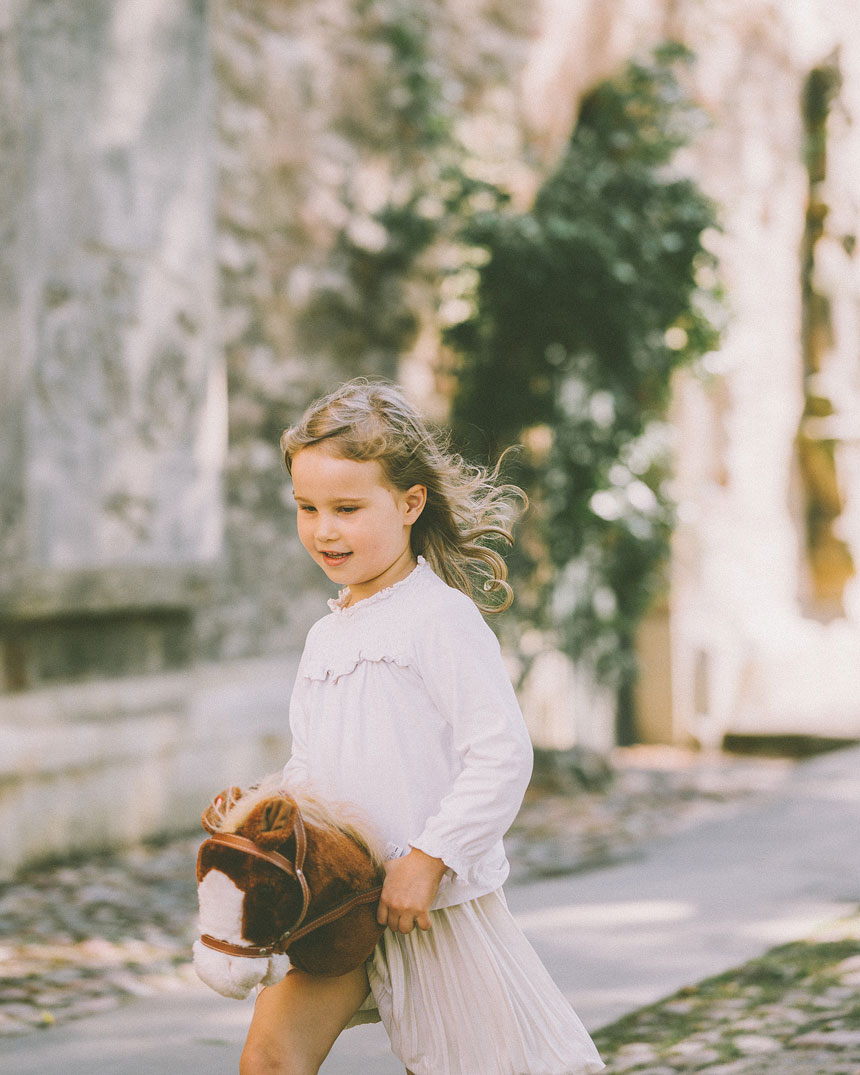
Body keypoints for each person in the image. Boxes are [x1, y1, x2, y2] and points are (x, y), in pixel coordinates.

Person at [240, 379, 604, 1075]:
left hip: (431, 907)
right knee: (270, 1057)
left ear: (410, 503)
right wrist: (266, 812)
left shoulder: (439, 620)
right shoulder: (325, 635)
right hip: (344, 905)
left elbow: (501, 753)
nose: (324, 529)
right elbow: (311, 766)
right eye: (307, 507)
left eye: (347, 508)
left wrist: (430, 857)